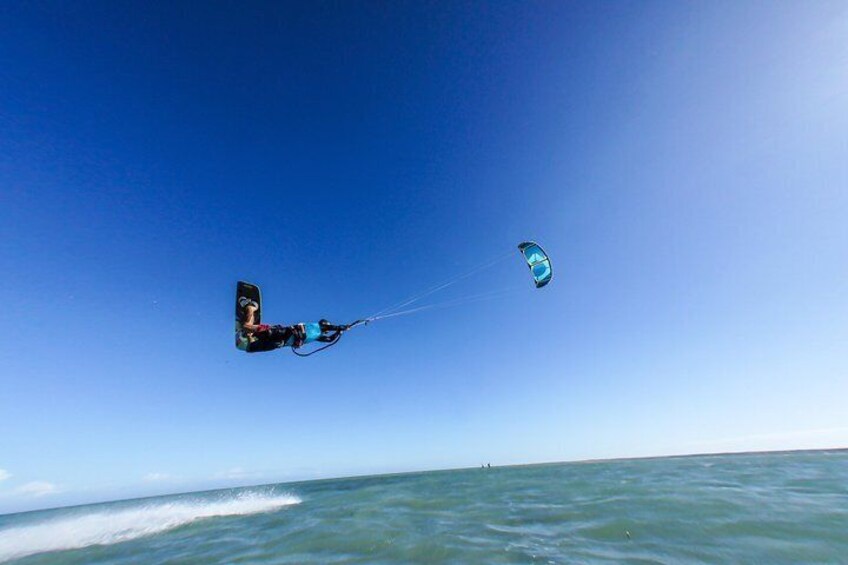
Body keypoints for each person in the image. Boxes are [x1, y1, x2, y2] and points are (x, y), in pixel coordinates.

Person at [237, 297, 347, 353]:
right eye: (326, 328)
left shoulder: (318, 336)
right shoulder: (317, 326)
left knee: (252, 349)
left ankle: (250, 337)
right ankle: (250, 307)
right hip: (281, 332)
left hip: (281, 343)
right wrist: (339, 327)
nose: (326, 330)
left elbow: (329, 339)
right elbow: (328, 327)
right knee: (246, 327)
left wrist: (339, 332)